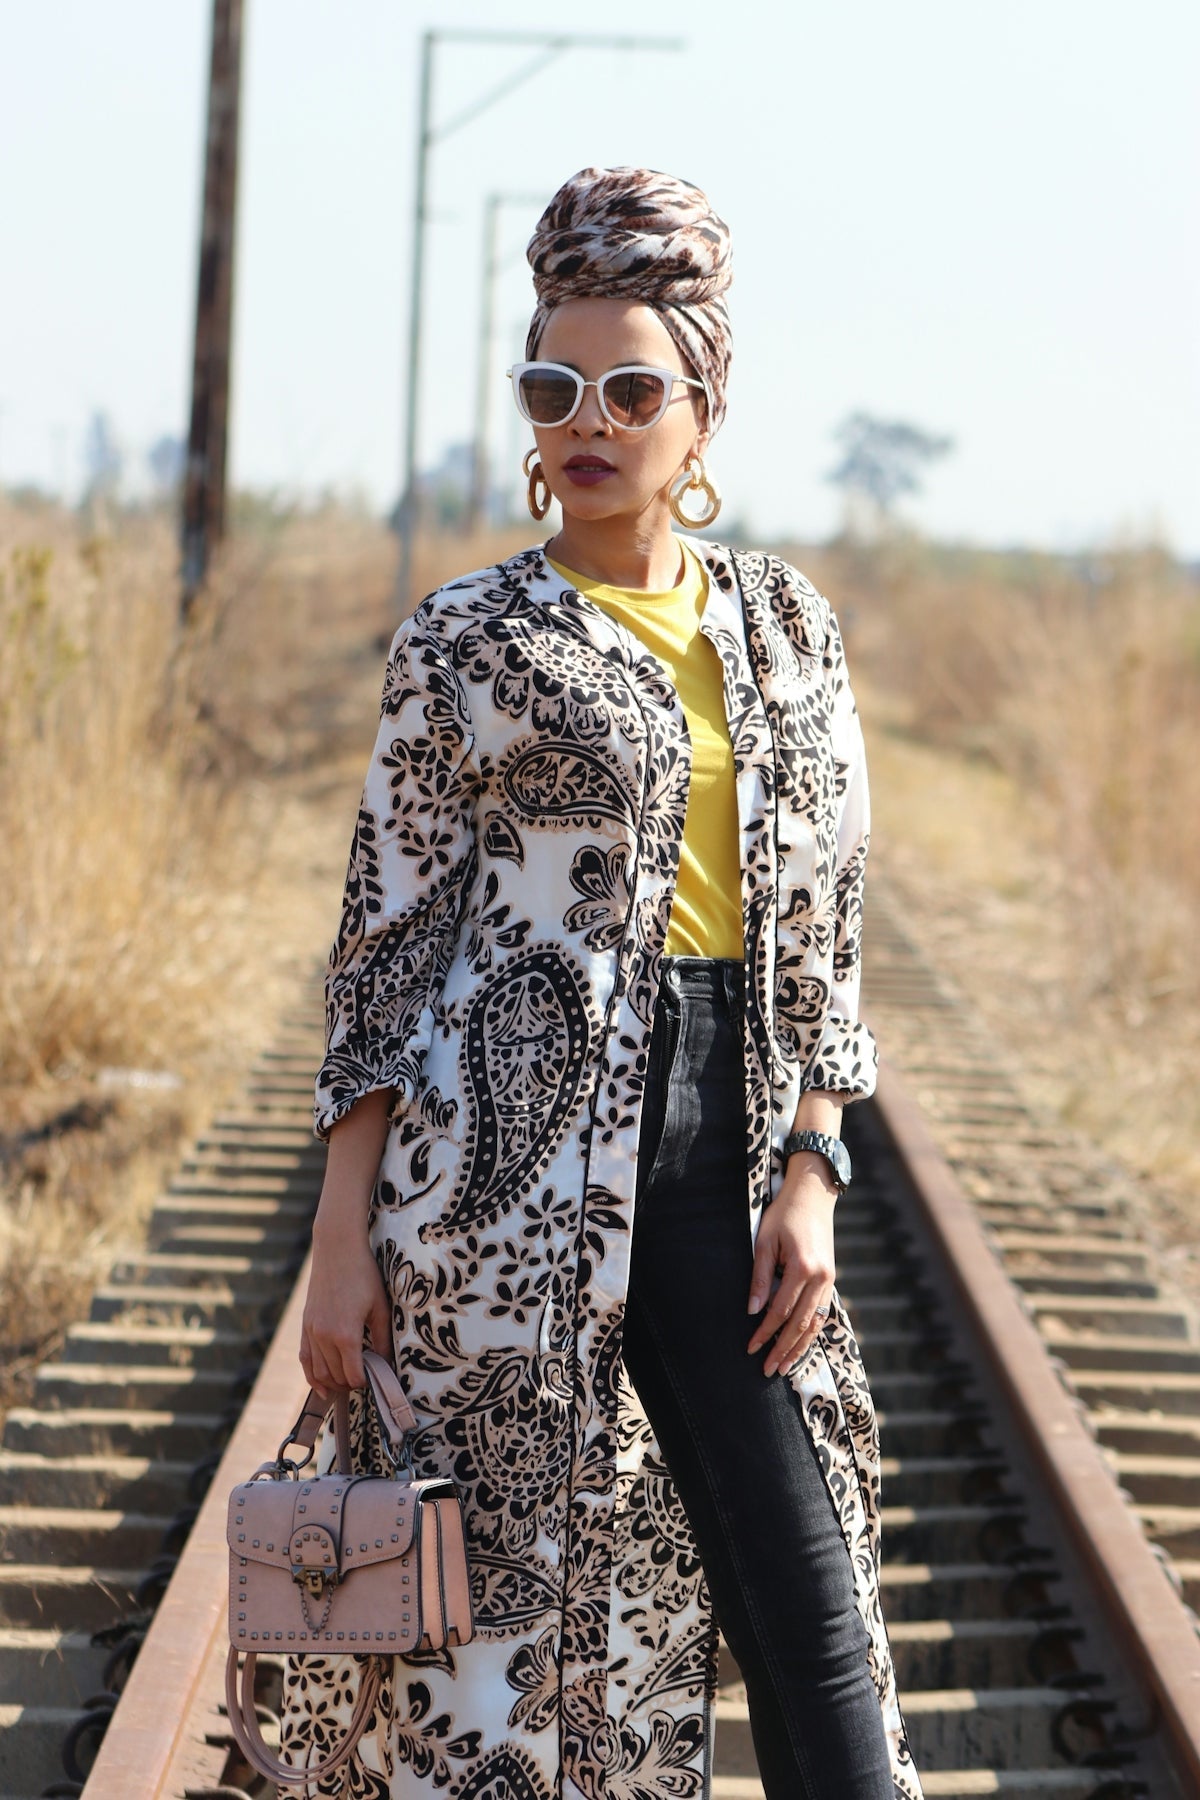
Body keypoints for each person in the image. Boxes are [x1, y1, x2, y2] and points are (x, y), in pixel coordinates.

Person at [289, 166, 922, 1800]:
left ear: (702, 413)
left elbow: (824, 928)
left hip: (724, 1163)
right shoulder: (465, 639)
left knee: (813, 1613)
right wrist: (339, 1240)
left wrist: (813, 1167)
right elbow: (387, 948)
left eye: (632, 389)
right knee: (507, 1665)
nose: (590, 419)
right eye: (553, 386)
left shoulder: (789, 631)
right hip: (494, 1203)